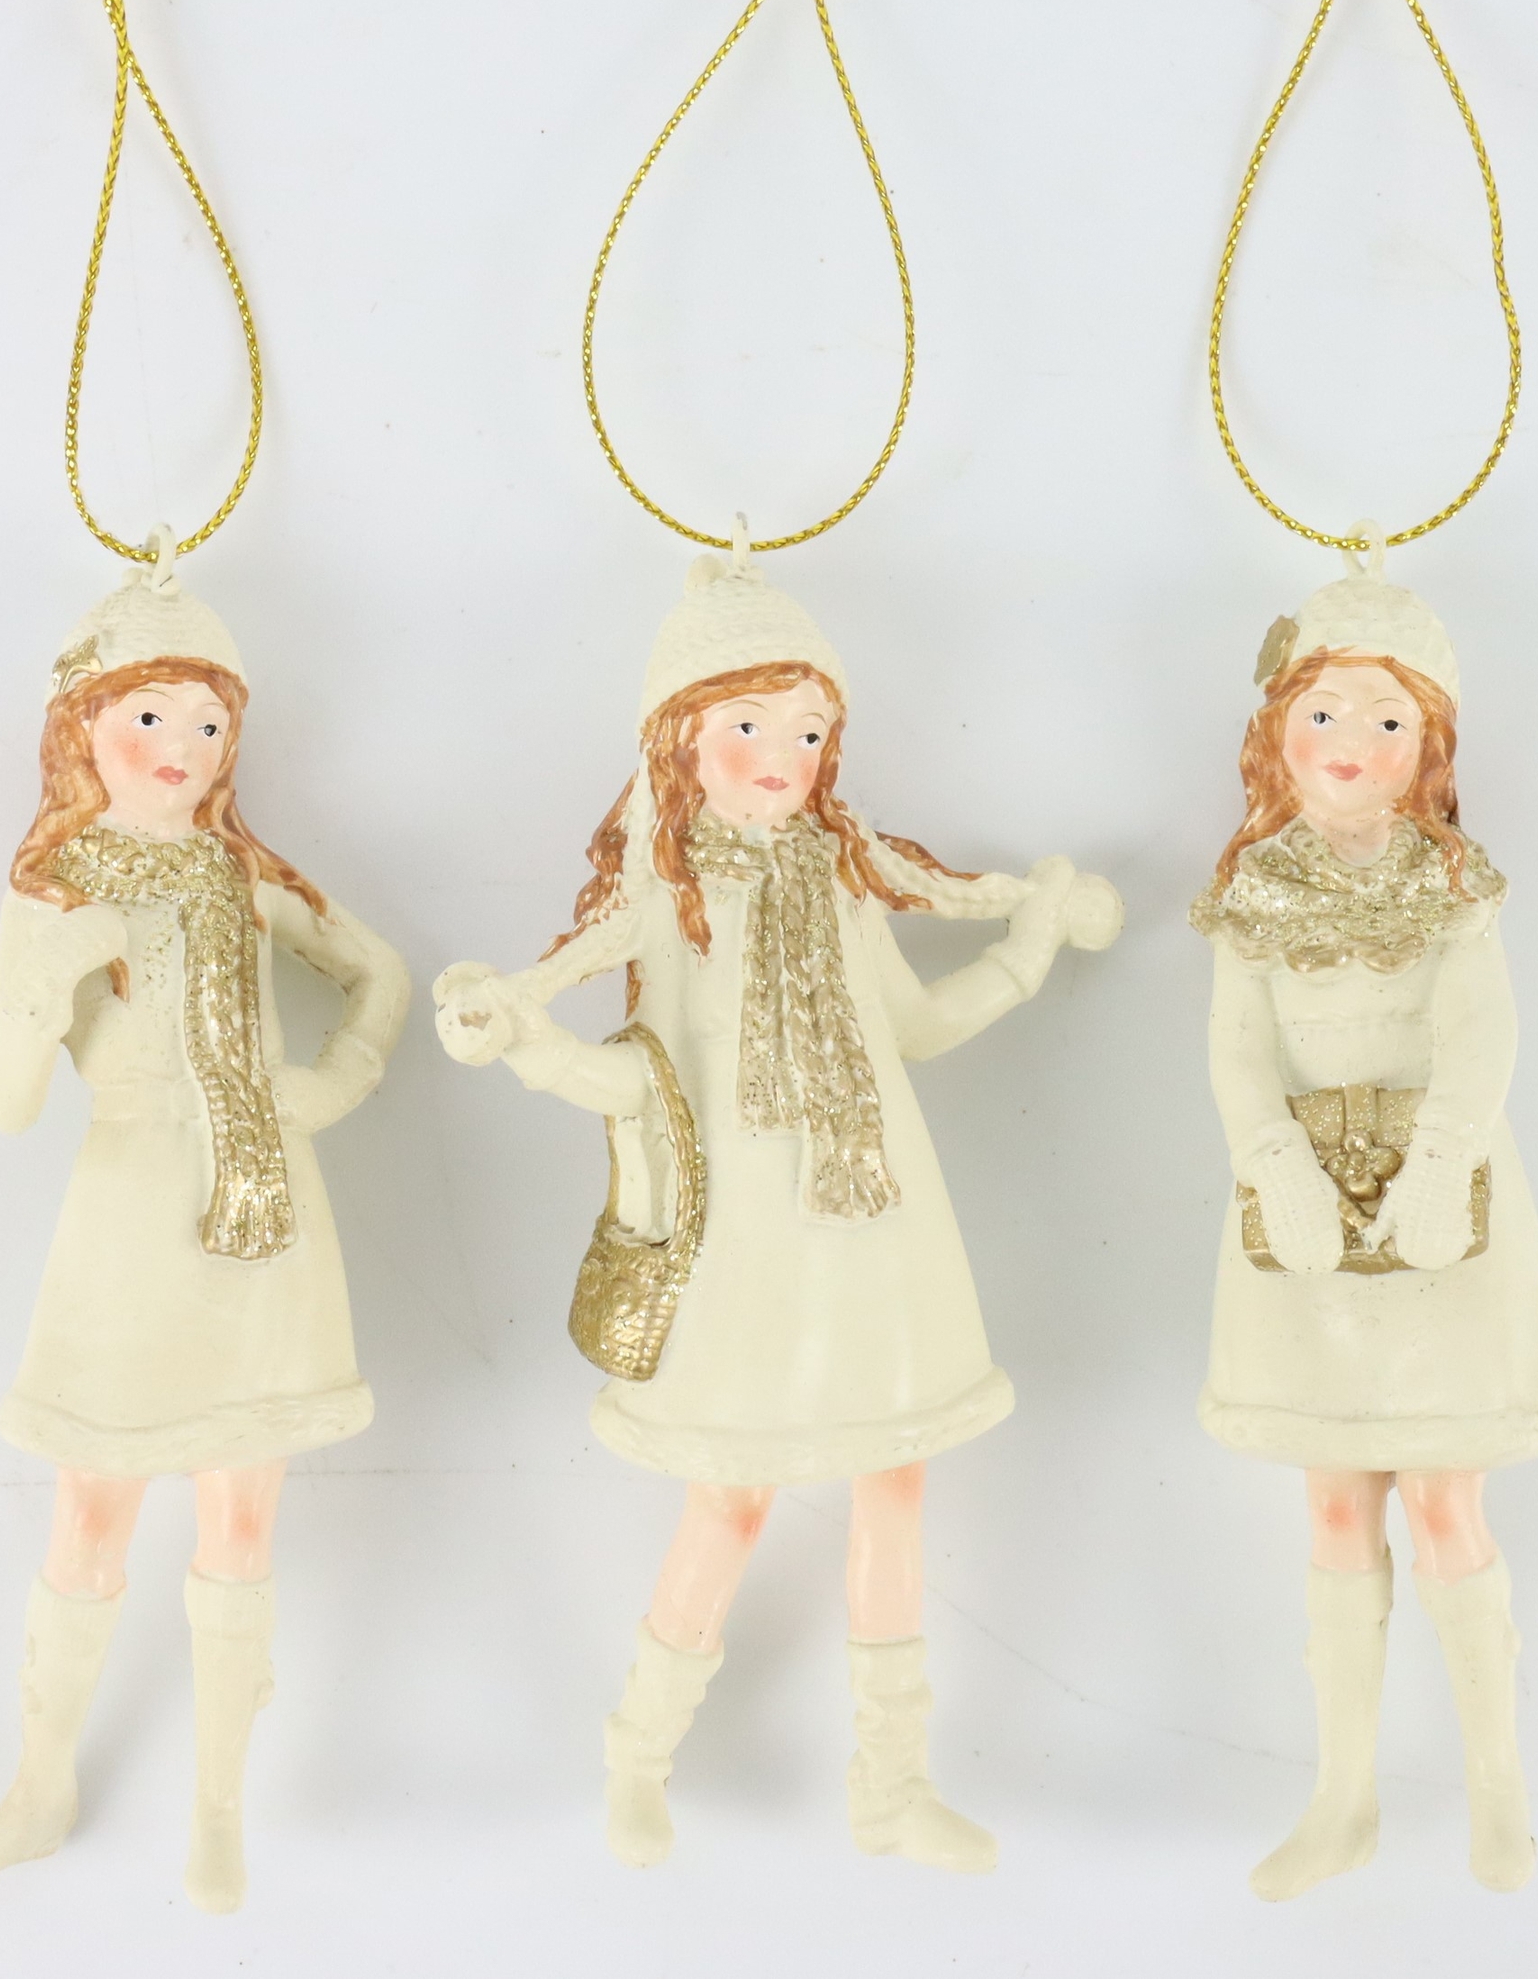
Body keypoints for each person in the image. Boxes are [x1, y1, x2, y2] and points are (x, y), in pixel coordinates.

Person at [436, 529, 1121, 1871]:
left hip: (876, 1226)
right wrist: (517, 1035)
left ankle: (892, 1784)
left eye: (809, 732)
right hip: (746, 1247)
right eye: (750, 725)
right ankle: (637, 1758)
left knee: (894, 1481)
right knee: (730, 1496)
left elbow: (915, 1030)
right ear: (682, 740)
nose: (784, 758)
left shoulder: (844, 883)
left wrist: (1033, 939)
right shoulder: (669, 901)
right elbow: (609, 1051)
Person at [0, 548, 408, 1912]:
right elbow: (7, 1105)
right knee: (94, 1501)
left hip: (260, 1209)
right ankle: (40, 1784)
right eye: (151, 715)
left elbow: (376, 971)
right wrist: (44, 989)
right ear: (83, 726)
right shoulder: (56, 889)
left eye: (209, 722)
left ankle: (217, 1808)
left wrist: (332, 1083)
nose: (182, 747)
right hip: (133, 1209)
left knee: (240, 1514)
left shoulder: (240, 875)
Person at [1190, 525, 1538, 1900]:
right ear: (1277, 734)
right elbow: (1238, 1051)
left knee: (1444, 1497)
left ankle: (1498, 1788)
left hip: (1442, 1217)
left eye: (1386, 717)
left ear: (1428, 745)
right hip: (1305, 1224)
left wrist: (1438, 1163)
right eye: (1324, 712)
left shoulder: (1450, 885)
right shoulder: (1252, 892)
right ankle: (1343, 1795)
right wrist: (1274, 1165)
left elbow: (1481, 1037)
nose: (1350, 742)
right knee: (1332, 1503)